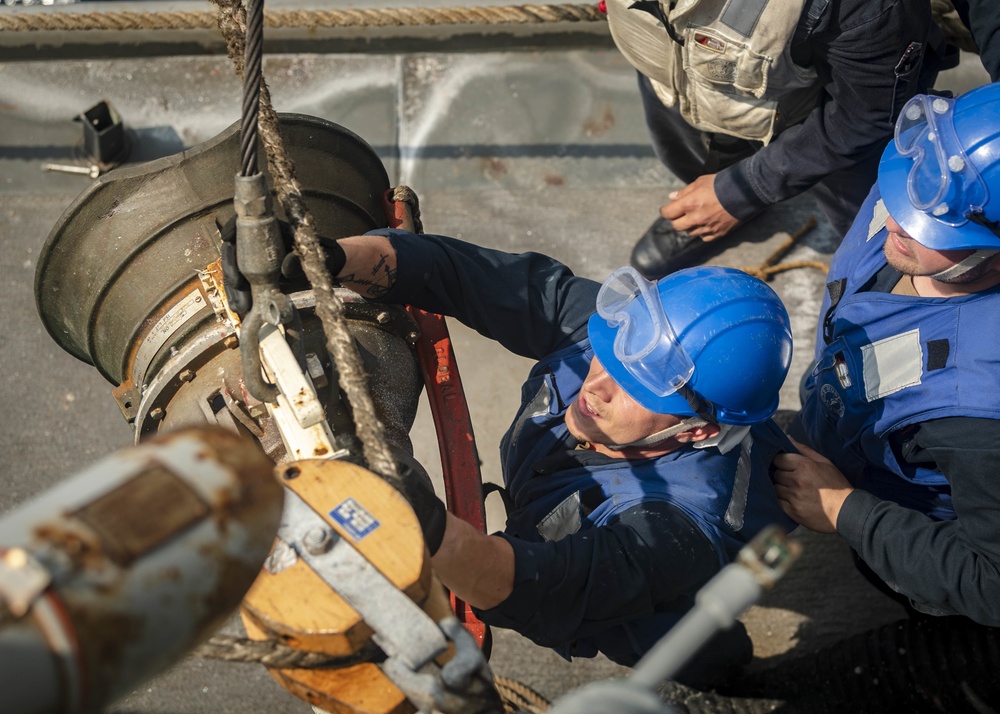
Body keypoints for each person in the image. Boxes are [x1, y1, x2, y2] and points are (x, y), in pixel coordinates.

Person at [329, 229, 797, 688]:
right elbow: (459, 274)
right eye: (611, 356)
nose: (596, 385)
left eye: (636, 388)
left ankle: (729, 676)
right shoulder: (630, 340)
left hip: (652, 604)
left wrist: (418, 520)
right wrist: (334, 256)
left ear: (697, 430)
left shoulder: (678, 528)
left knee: (681, 643)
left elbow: (528, 586)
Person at [772, 83, 1000, 626]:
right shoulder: (919, 182)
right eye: (901, 193)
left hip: (903, 517)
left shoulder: (979, 414)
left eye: (936, 226)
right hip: (842, 426)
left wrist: (846, 512)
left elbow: (991, 584)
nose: (896, 223)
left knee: (890, 582)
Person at [601, 0, 954, 278]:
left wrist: (741, 190)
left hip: (815, 112)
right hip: (672, 81)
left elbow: (865, 114)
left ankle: (875, 289)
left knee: (873, 230)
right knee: (690, 158)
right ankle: (706, 202)